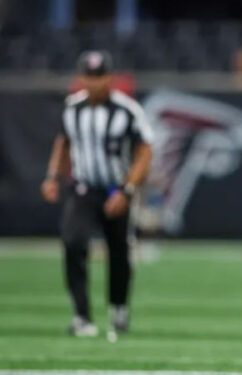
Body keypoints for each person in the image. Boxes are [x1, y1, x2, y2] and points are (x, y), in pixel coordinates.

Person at [41, 50, 153, 337]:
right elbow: (63, 142)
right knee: (73, 242)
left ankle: (118, 308)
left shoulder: (127, 110)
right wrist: (54, 176)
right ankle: (82, 316)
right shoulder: (73, 109)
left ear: (110, 78)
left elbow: (144, 152)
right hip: (84, 188)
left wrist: (127, 190)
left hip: (117, 189)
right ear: (81, 79)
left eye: (100, 77)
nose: (94, 83)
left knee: (119, 252)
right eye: (89, 77)